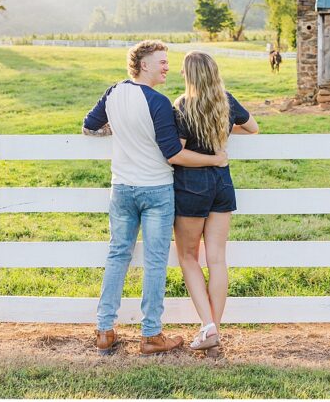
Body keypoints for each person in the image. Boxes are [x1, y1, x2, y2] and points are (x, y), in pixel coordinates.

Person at [82, 40, 228, 356]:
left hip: (121, 188)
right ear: (143, 64)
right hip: (156, 191)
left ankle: (105, 330)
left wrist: (117, 130)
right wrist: (216, 160)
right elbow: (173, 151)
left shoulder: (113, 93)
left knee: (117, 255)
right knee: (155, 260)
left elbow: (89, 127)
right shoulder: (160, 103)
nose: (166, 67)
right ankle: (150, 334)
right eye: (161, 62)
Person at [172, 50, 258, 352]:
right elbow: (253, 127)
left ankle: (208, 326)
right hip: (222, 185)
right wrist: (222, 129)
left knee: (188, 258)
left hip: (192, 187)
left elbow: (179, 152)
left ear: (189, 75)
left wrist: (209, 156)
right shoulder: (226, 101)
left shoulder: (182, 106)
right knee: (218, 258)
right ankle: (214, 329)